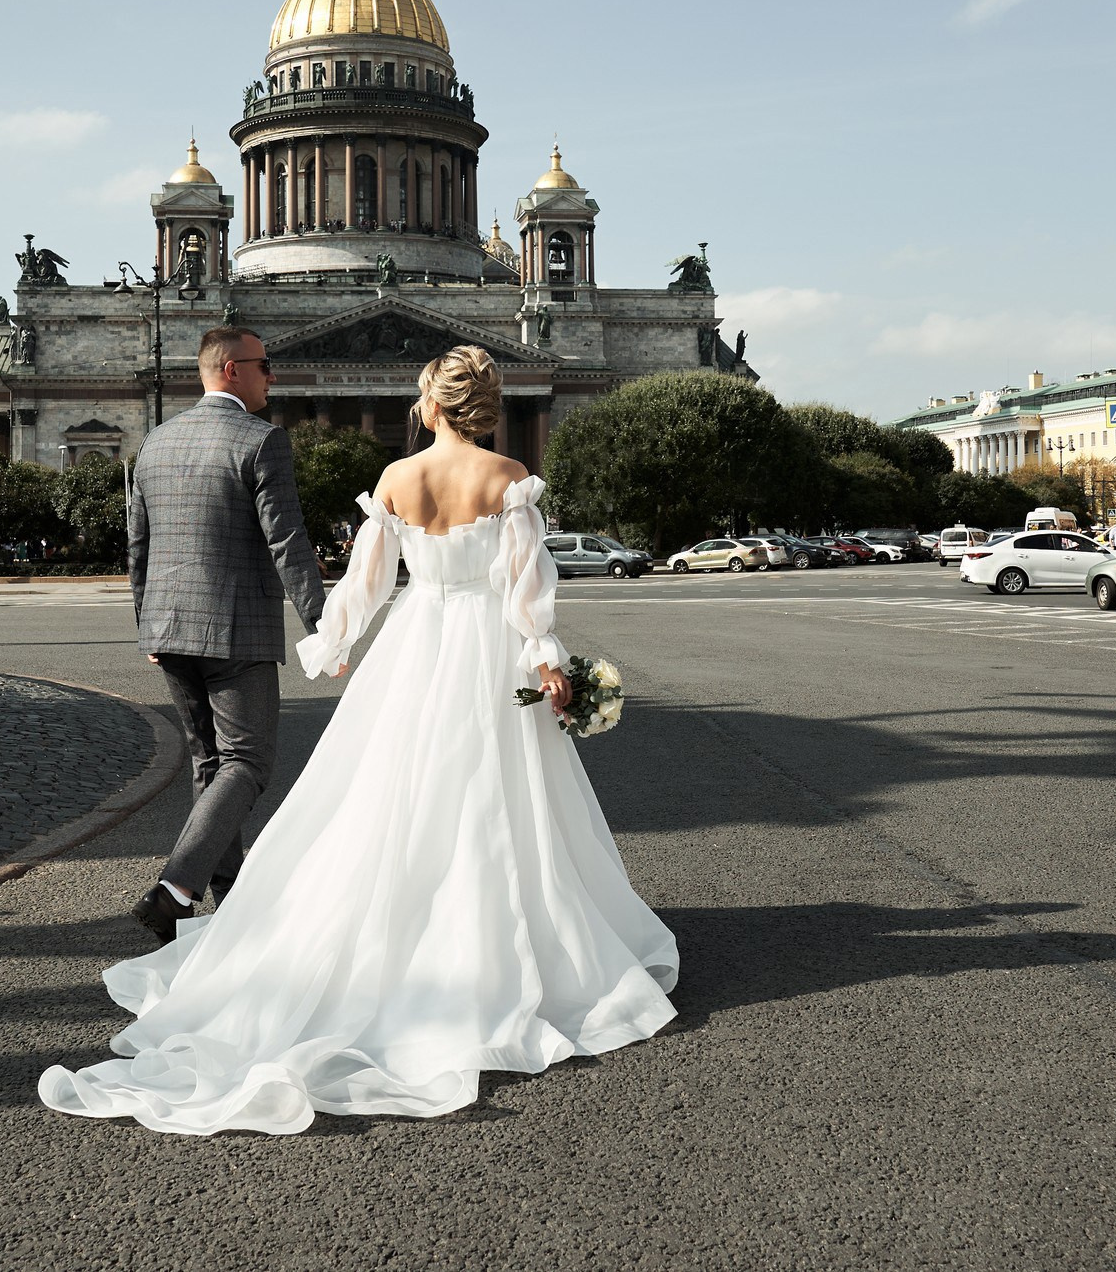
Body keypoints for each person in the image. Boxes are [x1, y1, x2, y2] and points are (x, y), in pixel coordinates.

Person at [40, 346, 678, 1137]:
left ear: (431, 405)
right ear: (482, 406)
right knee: (495, 795)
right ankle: (484, 929)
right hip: (483, 649)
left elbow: (365, 584)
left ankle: (390, 923)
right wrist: (546, 664)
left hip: (414, 646)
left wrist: (331, 643)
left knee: (386, 796)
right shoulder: (510, 478)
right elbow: (525, 593)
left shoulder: (395, 481)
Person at [121, 326, 328, 945]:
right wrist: (322, 625)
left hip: (169, 628)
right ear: (232, 370)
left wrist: (146, 625)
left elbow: (138, 546)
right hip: (236, 628)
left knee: (209, 763)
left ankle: (230, 905)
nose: (273, 376)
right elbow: (287, 542)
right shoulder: (262, 440)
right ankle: (174, 890)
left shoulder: (155, 442)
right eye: (265, 365)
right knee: (247, 761)